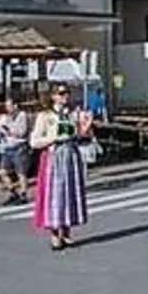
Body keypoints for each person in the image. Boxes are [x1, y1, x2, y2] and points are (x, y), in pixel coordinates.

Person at [30, 85, 91, 250]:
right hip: (54, 156)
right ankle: (55, 234)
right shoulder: (45, 116)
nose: (65, 96)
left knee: (70, 193)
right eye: (62, 93)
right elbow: (34, 141)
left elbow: (77, 135)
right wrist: (52, 138)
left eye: (67, 93)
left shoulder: (71, 114)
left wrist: (84, 129)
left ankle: (66, 231)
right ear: (53, 96)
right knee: (55, 195)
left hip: (70, 155)